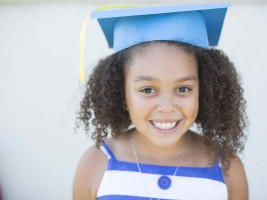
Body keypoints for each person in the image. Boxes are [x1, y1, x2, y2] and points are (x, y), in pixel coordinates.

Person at [73, 3, 248, 200]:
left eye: (183, 89)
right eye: (147, 90)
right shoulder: (95, 164)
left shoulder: (228, 169)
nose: (166, 107)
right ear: (121, 94)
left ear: (204, 90)